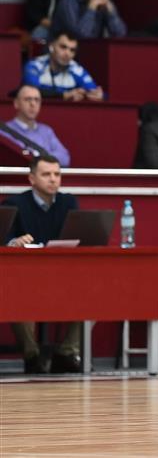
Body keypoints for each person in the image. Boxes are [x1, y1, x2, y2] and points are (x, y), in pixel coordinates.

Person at [3, 155, 83, 373]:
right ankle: (32, 356)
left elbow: (80, 236)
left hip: (62, 276)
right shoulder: (14, 204)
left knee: (93, 291)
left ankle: (66, 353)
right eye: (46, 174)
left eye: (57, 174)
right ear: (32, 178)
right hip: (24, 278)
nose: (53, 179)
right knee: (12, 295)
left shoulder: (69, 203)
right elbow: (4, 239)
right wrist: (14, 242)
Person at [22, 32, 102, 101]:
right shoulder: (35, 65)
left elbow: (94, 91)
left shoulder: (77, 70)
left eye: (72, 50)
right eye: (63, 47)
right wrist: (64, 95)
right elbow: (32, 91)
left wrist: (99, 95)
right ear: (51, 47)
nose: (67, 54)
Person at [3, 85, 70, 165]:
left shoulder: (46, 131)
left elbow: (65, 158)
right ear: (16, 103)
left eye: (37, 100)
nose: (33, 104)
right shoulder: (3, 132)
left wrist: (38, 157)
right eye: (28, 99)